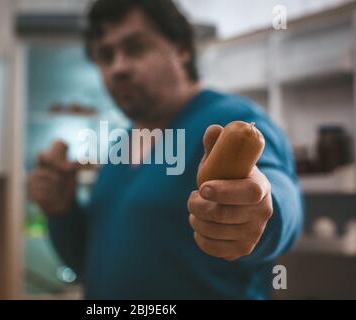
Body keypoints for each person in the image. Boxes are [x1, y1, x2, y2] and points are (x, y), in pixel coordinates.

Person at [29, 0, 303, 299]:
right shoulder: (120, 144)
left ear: (182, 49)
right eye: (106, 56)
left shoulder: (231, 121)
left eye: (135, 48)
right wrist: (61, 210)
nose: (118, 67)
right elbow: (87, 262)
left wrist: (260, 210)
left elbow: (280, 198)